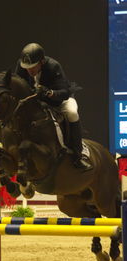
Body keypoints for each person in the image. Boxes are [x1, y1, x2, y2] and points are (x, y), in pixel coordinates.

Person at [15, 42, 92, 171]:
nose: (29, 70)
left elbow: (65, 93)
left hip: (59, 101)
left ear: (42, 62)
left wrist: (49, 93)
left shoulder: (53, 66)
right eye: (27, 67)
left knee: (72, 113)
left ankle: (79, 155)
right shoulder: (22, 67)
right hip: (38, 103)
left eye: (33, 66)